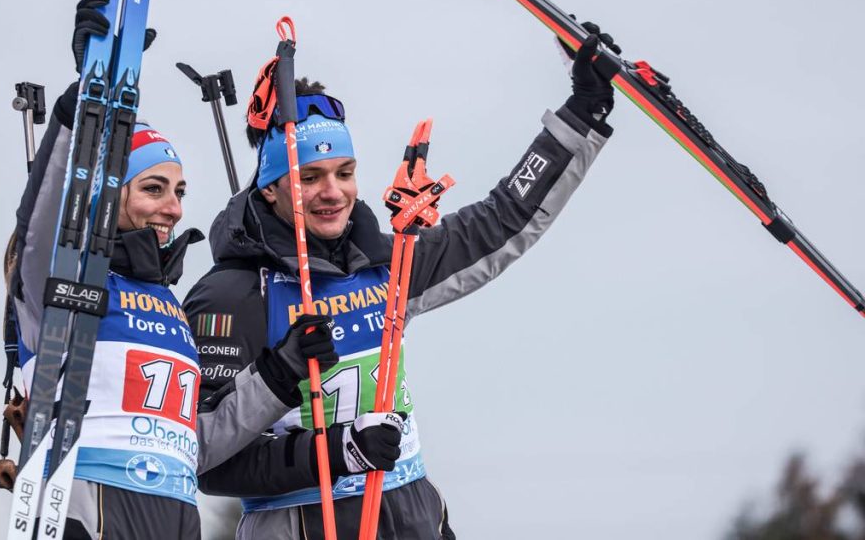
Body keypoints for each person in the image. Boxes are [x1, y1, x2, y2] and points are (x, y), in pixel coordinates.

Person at [183, 27, 621, 539]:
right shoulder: (232, 294)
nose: (333, 193)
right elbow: (203, 457)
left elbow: (501, 221)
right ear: (270, 187)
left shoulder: (385, 262)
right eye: (309, 177)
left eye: (345, 172)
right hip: (303, 524)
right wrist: (334, 451)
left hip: (411, 517)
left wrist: (582, 112)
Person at [7, 0, 350, 539]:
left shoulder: (170, 306)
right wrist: (84, 106)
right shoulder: (62, 275)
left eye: (180, 191)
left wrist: (278, 373)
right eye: (153, 188)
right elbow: (41, 219)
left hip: (175, 516)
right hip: (92, 508)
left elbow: (198, 443)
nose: (173, 207)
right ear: (106, 191)